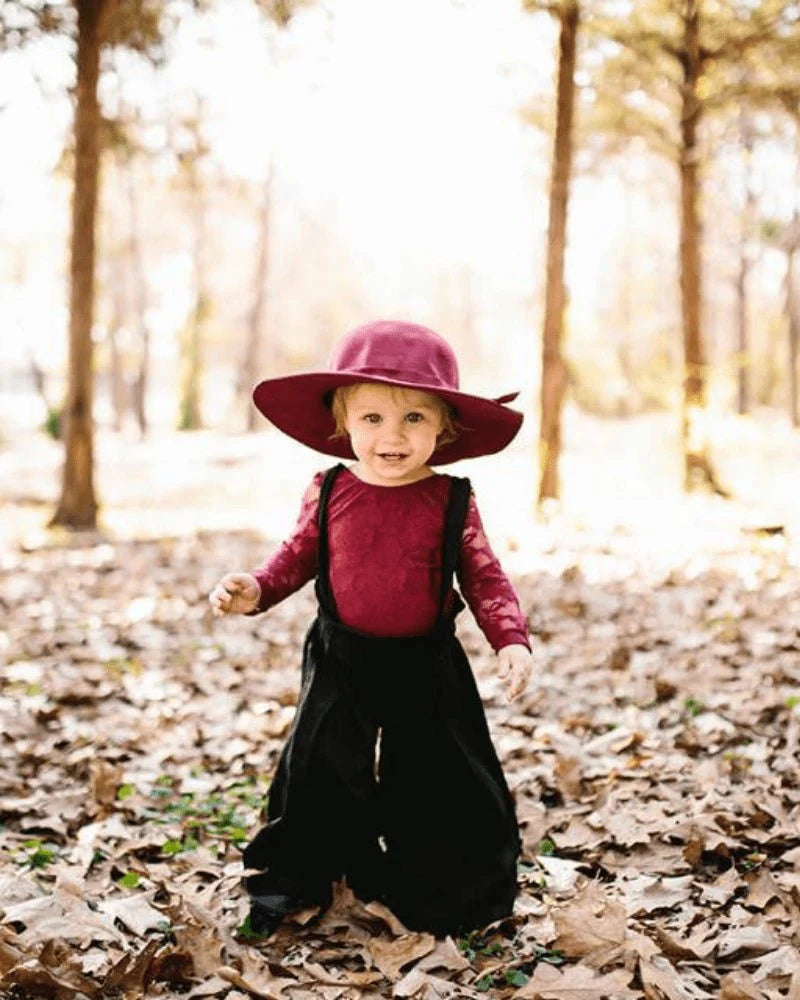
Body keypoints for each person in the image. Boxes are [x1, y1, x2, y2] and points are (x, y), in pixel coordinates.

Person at [209, 319, 533, 939]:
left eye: (415, 418)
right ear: (343, 422)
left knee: (438, 773)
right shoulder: (330, 491)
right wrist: (255, 588)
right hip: (341, 657)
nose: (393, 435)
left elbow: (486, 579)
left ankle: (443, 891)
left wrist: (510, 638)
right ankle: (296, 881)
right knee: (318, 765)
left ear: (445, 427)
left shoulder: (451, 499)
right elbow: (296, 556)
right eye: (374, 418)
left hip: (426, 661)